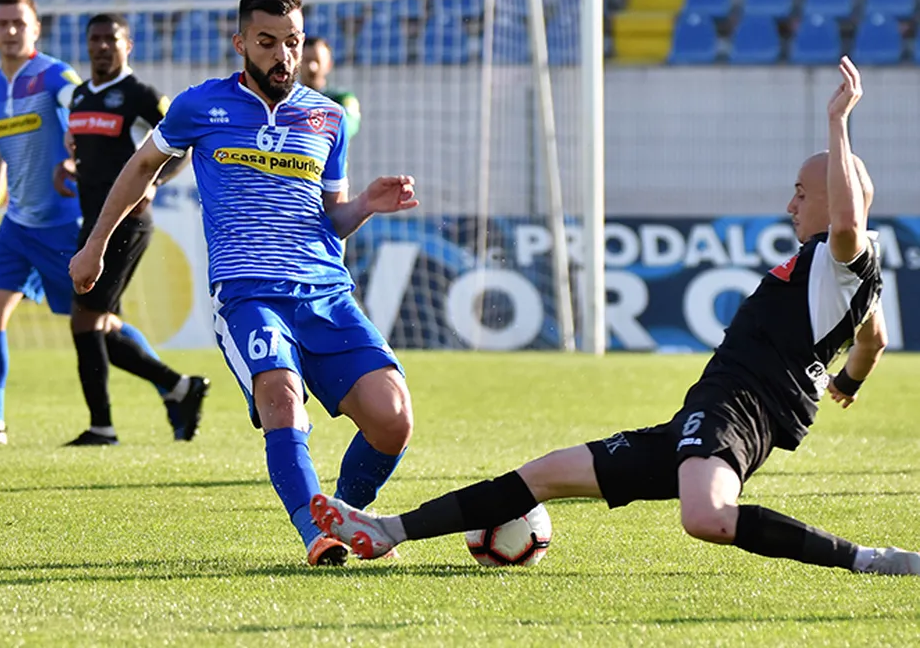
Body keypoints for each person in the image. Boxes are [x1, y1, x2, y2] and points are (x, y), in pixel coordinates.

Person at [311, 57, 920, 576]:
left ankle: (872, 560)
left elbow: (848, 225)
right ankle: (388, 530)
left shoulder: (843, 254)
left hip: (737, 412)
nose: (790, 205)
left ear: (837, 198)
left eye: (802, 193)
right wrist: (846, 382)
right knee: (546, 473)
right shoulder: (848, 279)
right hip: (701, 416)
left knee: (706, 517)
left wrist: (838, 121)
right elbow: (875, 339)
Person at [70, 0, 417, 566]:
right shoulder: (199, 105)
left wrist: (365, 206)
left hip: (325, 294)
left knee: (394, 420)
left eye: (292, 42)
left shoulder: (327, 117)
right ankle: (315, 531)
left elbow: (331, 218)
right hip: (247, 293)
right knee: (281, 396)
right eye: (267, 42)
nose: (284, 55)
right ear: (240, 44)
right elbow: (141, 167)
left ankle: (345, 515)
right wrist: (95, 244)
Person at [0, 0, 202, 446]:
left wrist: (88, 159)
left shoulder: (56, 77)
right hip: (16, 225)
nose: (10, 31)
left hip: (65, 223)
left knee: (98, 322)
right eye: (2, 23)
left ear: (36, 29)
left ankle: (169, 386)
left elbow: (89, 113)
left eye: (19, 23)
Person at [57, 13, 209, 447]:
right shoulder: (80, 96)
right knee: (102, 327)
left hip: (127, 221)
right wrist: (68, 167)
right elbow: (91, 151)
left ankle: (102, 427)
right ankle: (180, 387)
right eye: (95, 38)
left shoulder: (141, 95)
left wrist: (156, 182)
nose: (102, 46)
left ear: (128, 45)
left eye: (112, 38)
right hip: (93, 221)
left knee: (85, 320)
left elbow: (183, 144)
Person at [301, 36, 360, 139]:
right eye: (307, 61)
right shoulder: (287, 99)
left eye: (317, 61)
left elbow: (349, 126)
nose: (312, 67)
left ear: (328, 65)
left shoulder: (341, 99)